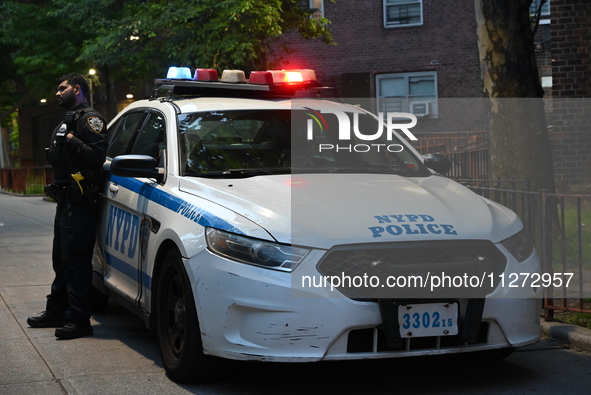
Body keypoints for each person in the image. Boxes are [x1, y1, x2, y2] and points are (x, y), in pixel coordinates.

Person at [27, 73, 108, 339]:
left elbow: (97, 157)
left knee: (75, 262)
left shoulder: (89, 119)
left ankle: (78, 320)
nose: (57, 93)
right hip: (66, 202)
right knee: (61, 260)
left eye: (62, 89)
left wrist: (73, 140)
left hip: (80, 202)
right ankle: (57, 311)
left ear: (77, 89)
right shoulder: (68, 119)